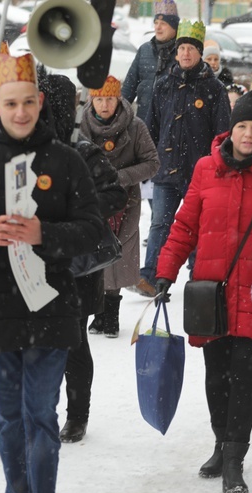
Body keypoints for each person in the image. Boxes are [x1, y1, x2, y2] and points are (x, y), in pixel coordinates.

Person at [0, 53, 104, 493]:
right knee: (10, 417)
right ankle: (18, 492)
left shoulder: (67, 161)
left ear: (39, 102)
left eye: (28, 102)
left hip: (49, 306)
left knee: (40, 415)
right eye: (11, 103)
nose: (20, 112)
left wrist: (44, 234)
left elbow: (93, 229)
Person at [154, 91, 252, 493]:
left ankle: (236, 459)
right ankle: (221, 443)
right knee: (216, 376)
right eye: (242, 126)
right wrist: (165, 272)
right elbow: (185, 226)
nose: (249, 134)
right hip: (213, 292)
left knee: (244, 377)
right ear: (231, 130)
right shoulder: (206, 169)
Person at [37, 73, 128, 444]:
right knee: (30, 344)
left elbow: (115, 195)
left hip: (73, 263)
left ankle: (77, 416)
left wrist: (75, 211)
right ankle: (27, 413)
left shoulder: (82, 150)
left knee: (73, 341)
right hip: (32, 263)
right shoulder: (25, 150)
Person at [135, 20, 231, 297]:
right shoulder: (163, 85)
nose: (186, 53)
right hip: (166, 170)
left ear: (200, 53)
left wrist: (217, 166)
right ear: (176, 53)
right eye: (182, 48)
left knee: (199, 227)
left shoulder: (213, 88)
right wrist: (149, 160)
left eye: (191, 48)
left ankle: (197, 276)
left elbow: (222, 133)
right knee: (160, 224)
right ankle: (150, 277)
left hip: (200, 172)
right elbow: (150, 127)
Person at [80, 75, 159, 338]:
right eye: (99, 99)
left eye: (110, 99)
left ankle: (111, 312)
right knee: (94, 250)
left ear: (119, 99)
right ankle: (99, 311)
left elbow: (152, 162)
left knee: (119, 251)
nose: (104, 105)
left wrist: (120, 177)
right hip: (90, 199)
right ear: (92, 99)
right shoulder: (81, 126)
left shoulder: (135, 127)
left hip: (125, 200)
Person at [121, 0, 180, 122]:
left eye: (163, 23)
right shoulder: (144, 50)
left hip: (171, 124)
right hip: (144, 122)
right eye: (156, 22)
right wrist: (118, 116)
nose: (157, 27)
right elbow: (129, 87)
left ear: (174, 27)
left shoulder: (182, 53)